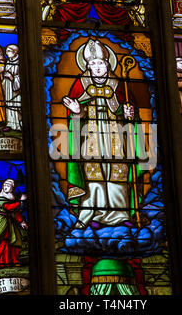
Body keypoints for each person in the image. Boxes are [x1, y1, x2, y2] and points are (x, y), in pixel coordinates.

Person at [62, 39, 137, 230]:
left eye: (100, 63)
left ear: (108, 63)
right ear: (87, 65)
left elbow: (127, 109)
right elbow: (74, 115)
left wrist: (129, 114)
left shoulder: (119, 85)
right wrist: (76, 110)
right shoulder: (81, 84)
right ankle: (95, 213)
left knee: (117, 173)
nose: (96, 67)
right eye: (92, 64)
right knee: (94, 175)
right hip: (91, 136)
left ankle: (120, 214)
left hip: (116, 136)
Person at [2, 44, 22, 132]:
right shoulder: (8, 61)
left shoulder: (19, 62)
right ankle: (9, 123)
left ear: (15, 52)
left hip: (15, 87)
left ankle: (17, 124)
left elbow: (21, 77)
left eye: (9, 51)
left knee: (15, 105)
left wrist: (11, 77)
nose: (7, 53)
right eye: (6, 51)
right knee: (8, 104)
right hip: (8, 86)